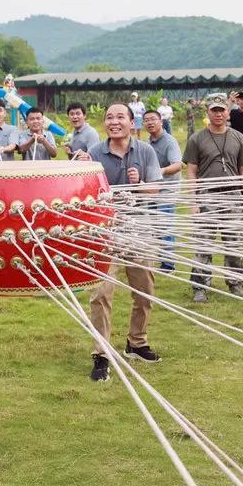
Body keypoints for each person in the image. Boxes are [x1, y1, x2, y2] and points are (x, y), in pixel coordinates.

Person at [76, 103, 163, 382]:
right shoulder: (94, 154)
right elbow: (82, 193)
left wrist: (138, 185)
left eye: (120, 117)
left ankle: (136, 342)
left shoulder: (146, 151)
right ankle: (101, 354)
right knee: (101, 293)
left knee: (144, 290)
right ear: (105, 124)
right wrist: (80, 170)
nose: (115, 122)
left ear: (131, 121)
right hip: (104, 231)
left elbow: (156, 188)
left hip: (139, 229)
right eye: (109, 118)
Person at [182, 94, 243, 302]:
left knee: (234, 243)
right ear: (208, 112)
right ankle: (200, 286)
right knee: (203, 243)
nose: (218, 113)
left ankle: (235, 283)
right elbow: (191, 172)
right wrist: (194, 202)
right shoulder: (197, 139)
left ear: (227, 112)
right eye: (214, 110)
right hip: (207, 197)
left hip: (232, 196)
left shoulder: (238, 138)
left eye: (222, 109)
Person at [142, 107, 183, 272]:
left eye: (153, 119)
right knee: (155, 225)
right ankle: (161, 256)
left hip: (167, 189)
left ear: (161, 121)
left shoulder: (169, 141)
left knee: (165, 224)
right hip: (153, 188)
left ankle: (168, 263)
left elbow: (178, 165)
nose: (150, 122)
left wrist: (162, 171)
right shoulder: (148, 142)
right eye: (147, 120)